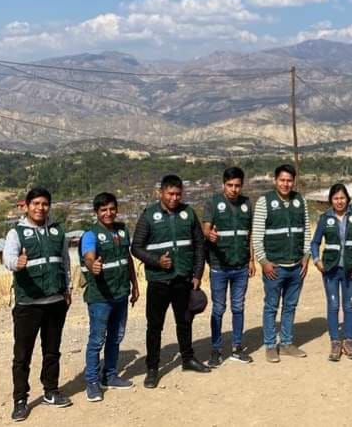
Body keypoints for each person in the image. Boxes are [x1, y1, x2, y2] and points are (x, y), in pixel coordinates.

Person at [131, 174, 209, 389]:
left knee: (184, 321)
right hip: (159, 281)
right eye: (170, 193)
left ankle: (187, 359)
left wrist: (197, 275)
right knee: (154, 326)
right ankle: (153, 368)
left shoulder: (188, 213)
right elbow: (136, 247)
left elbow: (199, 246)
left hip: (183, 279)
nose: (174, 198)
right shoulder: (149, 216)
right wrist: (156, 261)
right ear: (161, 193)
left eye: (178, 194)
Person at [3, 187, 72, 422]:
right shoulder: (17, 233)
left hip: (55, 302)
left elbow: (64, 261)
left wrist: (68, 289)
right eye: (36, 203)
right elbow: (7, 258)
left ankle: (51, 391)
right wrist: (17, 262)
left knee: (52, 351)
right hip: (28, 304)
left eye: (45, 204)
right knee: (22, 355)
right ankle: (20, 400)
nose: (40, 208)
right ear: (27, 206)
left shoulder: (57, 232)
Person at [79, 192, 140, 402]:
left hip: (121, 294)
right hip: (100, 298)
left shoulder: (123, 231)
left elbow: (127, 259)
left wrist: (135, 285)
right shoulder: (90, 235)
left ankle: (110, 375)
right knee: (97, 340)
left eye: (111, 208)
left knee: (116, 337)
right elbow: (88, 255)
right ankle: (92, 382)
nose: (108, 213)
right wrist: (91, 264)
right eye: (103, 210)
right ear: (96, 212)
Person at [251, 164, 311, 363]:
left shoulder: (300, 201)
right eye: (282, 180)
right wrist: (263, 261)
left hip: (296, 266)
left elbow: (306, 231)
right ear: (275, 180)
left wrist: (306, 256)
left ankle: (286, 343)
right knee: (271, 306)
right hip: (274, 267)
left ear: (294, 181)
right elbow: (257, 235)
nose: (286, 184)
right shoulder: (264, 202)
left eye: (289, 180)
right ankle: (270, 345)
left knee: (290, 306)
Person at [311, 184, 352, 361]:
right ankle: (335, 342)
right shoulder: (325, 218)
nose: (339, 201)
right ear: (331, 200)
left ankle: (349, 340)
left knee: (349, 305)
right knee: (333, 306)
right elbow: (315, 242)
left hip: (351, 269)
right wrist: (317, 260)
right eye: (336, 198)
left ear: (348, 199)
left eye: (342, 198)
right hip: (330, 269)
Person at [202, 167, 255, 367]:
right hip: (219, 266)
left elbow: (249, 233)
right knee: (218, 308)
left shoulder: (247, 204)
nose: (234, 189)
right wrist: (210, 235)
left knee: (238, 307)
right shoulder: (213, 203)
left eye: (238, 185)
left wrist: (251, 260)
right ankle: (216, 349)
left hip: (241, 266)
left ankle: (237, 347)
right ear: (223, 184)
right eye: (230, 185)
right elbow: (205, 228)